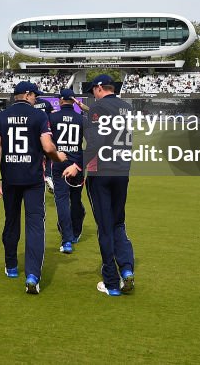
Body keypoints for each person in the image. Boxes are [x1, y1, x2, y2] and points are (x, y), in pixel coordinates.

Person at [0, 81, 66, 294]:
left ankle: (12, 266)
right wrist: (58, 157)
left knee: (11, 221)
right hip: (33, 179)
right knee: (34, 225)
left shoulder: (1, 117)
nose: (36, 99)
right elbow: (47, 146)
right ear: (27, 94)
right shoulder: (39, 116)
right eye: (34, 95)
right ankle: (32, 275)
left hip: (10, 177)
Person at [80, 74, 136, 297]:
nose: (93, 93)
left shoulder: (98, 107)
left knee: (104, 227)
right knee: (118, 222)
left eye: (94, 89)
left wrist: (78, 166)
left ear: (100, 88)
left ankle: (112, 283)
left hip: (101, 172)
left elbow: (95, 142)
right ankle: (127, 268)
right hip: (122, 171)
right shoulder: (126, 108)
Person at [49, 88, 88, 253]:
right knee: (76, 199)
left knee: (62, 201)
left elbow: (46, 142)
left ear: (59, 101)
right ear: (74, 101)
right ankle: (75, 231)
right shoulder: (82, 119)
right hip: (77, 164)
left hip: (59, 163)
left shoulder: (52, 117)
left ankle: (67, 240)